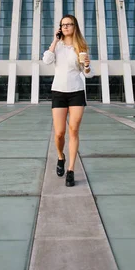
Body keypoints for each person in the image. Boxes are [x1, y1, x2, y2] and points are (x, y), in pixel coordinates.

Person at [42, 15, 93, 187]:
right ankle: (61, 157)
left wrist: (86, 65)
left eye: (68, 24)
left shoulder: (81, 47)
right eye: (62, 25)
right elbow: (47, 60)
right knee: (59, 133)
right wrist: (55, 41)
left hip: (76, 92)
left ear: (74, 26)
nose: (65, 27)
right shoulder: (58, 47)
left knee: (73, 130)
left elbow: (87, 73)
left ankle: (71, 170)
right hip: (58, 92)